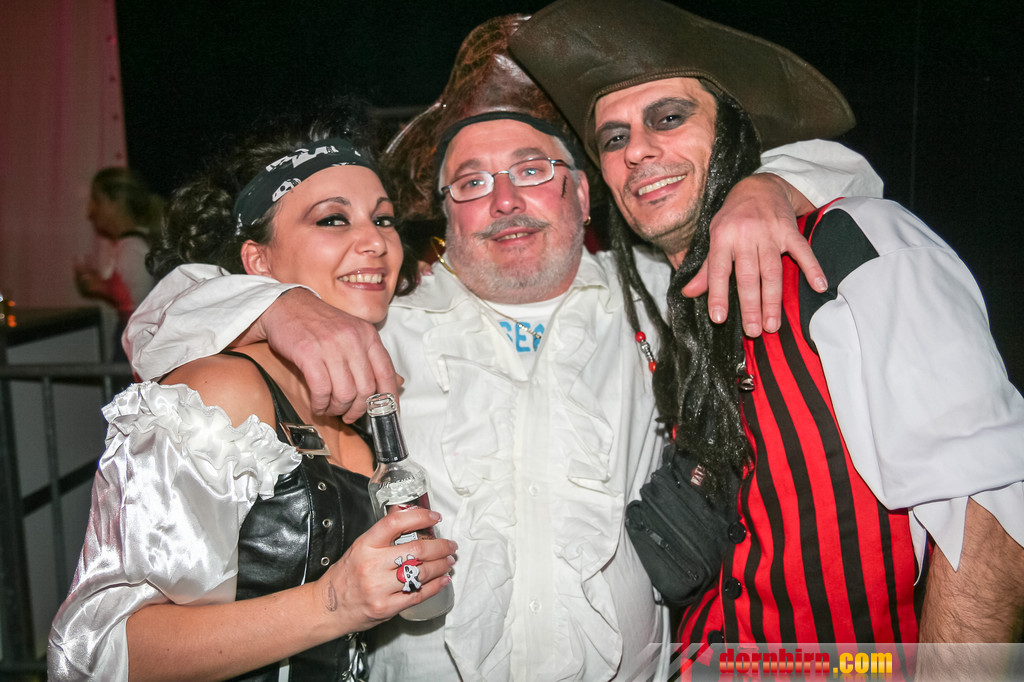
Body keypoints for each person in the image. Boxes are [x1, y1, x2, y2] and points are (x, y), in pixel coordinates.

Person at [121, 16, 886, 681]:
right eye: (471, 183)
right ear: (444, 216)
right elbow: (156, 326)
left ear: (581, 192)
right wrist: (277, 306)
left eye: (531, 170)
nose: (505, 201)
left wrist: (762, 190)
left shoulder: (658, 295)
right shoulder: (382, 321)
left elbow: (849, 169)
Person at [509, 0, 1024, 673]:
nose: (636, 150)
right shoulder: (649, 297)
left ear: (731, 135)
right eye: (613, 138)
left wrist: (773, 181)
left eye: (669, 118)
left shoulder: (852, 247)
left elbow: (989, 510)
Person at [48, 101, 458, 681]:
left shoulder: (364, 391)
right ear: (257, 261)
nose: (375, 241)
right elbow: (98, 650)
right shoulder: (221, 393)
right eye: (332, 220)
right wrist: (334, 603)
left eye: (384, 219)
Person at [74, 167, 160, 361]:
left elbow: (142, 309)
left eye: (97, 200)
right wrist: (103, 287)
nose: (90, 210)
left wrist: (103, 287)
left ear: (116, 203)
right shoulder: (129, 245)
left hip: (137, 345)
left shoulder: (132, 248)